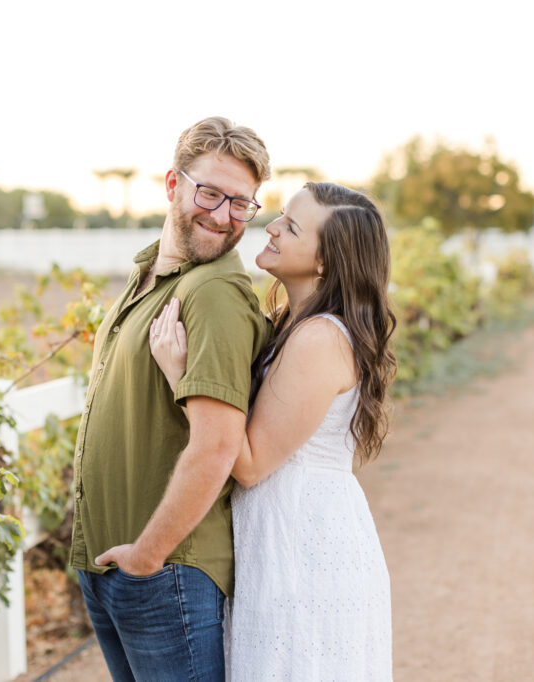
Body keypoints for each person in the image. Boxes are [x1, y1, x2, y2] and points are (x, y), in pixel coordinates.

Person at [150, 182, 397, 680]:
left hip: (304, 544)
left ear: (325, 262)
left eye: (292, 226)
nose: (272, 227)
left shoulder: (319, 339)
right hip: (292, 531)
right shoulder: (294, 322)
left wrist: (182, 374)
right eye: (281, 215)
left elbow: (249, 464)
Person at [69, 116, 272, 681]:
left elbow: (218, 446)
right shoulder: (149, 280)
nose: (223, 215)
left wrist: (149, 556)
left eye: (241, 203)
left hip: (165, 569)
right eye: (211, 192)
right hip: (116, 566)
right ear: (173, 184)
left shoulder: (213, 294)